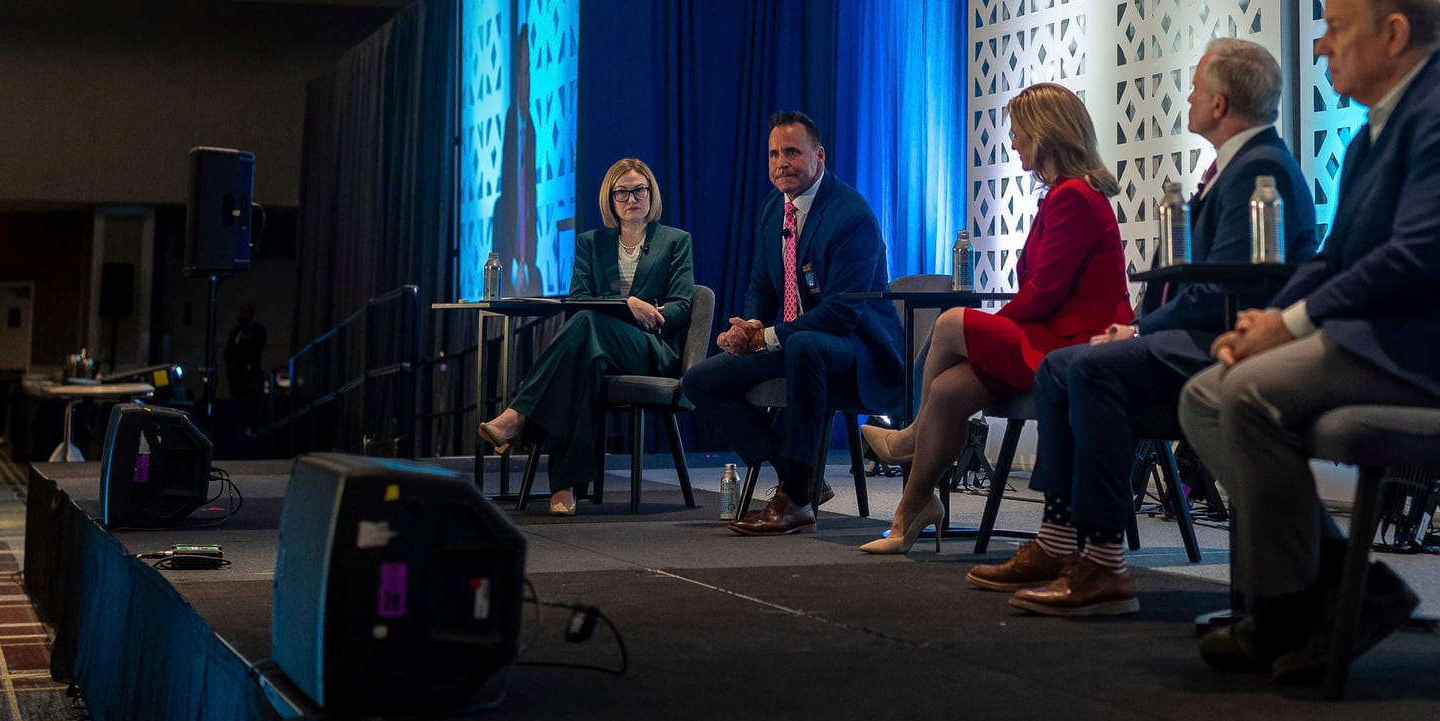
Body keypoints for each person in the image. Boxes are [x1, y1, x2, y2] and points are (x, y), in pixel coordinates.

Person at [1179, 0, 1440, 682]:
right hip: (1401, 337)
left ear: (1392, 33)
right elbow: (1339, 257)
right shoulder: (1373, 135)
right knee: (1203, 394)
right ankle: (1336, 592)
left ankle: (1293, 609)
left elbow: (1417, 260)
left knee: (1245, 393)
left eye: (1333, 28)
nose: (1320, 48)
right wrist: (1270, 321)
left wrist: (1288, 329)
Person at [968, 40, 1317, 611]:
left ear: (1222, 103)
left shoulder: (1259, 169)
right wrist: (1139, 326)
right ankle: (1060, 543)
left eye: (1198, 89)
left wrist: (1136, 332)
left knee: (1090, 370)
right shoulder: (1238, 166)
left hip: (1232, 342)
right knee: (1063, 367)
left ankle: (1104, 564)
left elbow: (1221, 293)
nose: (1190, 97)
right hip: (1203, 332)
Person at [856, 82, 1131, 554]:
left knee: (950, 323)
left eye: (1019, 132)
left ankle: (908, 439)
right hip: (1053, 336)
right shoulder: (1066, 196)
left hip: (1073, 345)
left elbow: (1043, 295)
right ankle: (913, 509)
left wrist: (984, 327)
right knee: (946, 391)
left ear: (1044, 134)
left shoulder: (1074, 198)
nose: (1013, 142)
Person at [681, 112, 894, 536]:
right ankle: (797, 475)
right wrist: (750, 326)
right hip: (799, 341)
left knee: (805, 346)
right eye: (774, 153)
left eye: (792, 152)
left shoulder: (851, 215)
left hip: (857, 346)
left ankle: (794, 500)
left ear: (819, 156)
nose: (781, 162)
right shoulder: (773, 208)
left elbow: (842, 313)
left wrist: (767, 337)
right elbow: (763, 283)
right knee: (699, 381)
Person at [479, 158, 696, 515]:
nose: (631, 198)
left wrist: (651, 314)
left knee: (585, 324)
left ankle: (519, 414)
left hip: (650, 347)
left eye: (639, 190)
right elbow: (579, 296)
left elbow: (683, 306)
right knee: (586, 360)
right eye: (622, 192)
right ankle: (565, 487)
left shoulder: (674, 241)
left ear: (651, 193)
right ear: (610, 199)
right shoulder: (591, 243)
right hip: (597, 345)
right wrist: (627, 303)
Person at [224, 305, 267, 398]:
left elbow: (257, 348)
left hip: (251, 374)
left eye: (246, 312)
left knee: (250, 398)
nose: (243, 315)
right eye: (242, 312)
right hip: (236, 376)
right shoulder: (236, 332)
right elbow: (229, 351)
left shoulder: (257, 330)